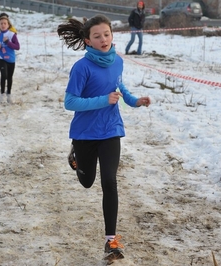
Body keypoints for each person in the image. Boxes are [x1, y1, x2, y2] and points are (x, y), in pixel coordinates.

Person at [57, 14, 151, 261]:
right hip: (85, 134)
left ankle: (111, 241)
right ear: (88, 41)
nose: (103, 39)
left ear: (112, 35)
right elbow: (70, 101)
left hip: (111, 129)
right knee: (87, 182)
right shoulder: (81, 68)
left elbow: (120, 88)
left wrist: (134, 101)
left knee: (109, 180)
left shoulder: (117, 62)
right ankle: (76, 156)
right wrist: (102, 100)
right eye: (97, 36)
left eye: (106, 34)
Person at [0, 15, 20, 104]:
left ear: (8, 25)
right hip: (1, 58)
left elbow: (17, 47)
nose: (3, 25)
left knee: (10, 77)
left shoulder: (12, 35)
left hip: (11, 58)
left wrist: (8, 43)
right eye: (1, 23)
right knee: (4, 75)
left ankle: (9, 94)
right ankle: (2, 93)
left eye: (5, 23)